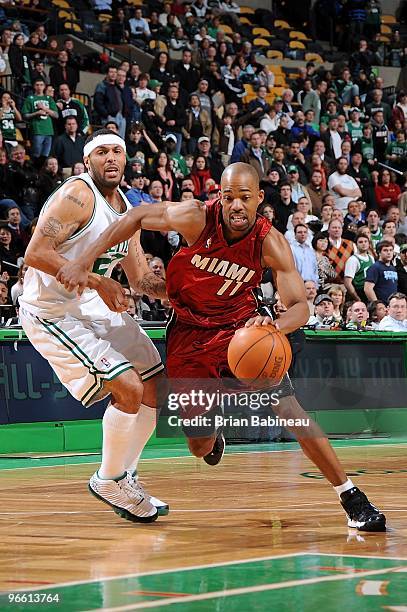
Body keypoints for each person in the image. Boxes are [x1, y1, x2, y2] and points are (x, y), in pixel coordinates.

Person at [57, 162, 386, 532]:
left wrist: (274, 327)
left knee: (290, 410)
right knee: (198, 446)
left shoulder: (270, 242)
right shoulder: (195, 217)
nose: (236, 205)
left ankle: (351, 496)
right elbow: (135, 216)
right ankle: (213, 438)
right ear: (219, 197)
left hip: (241, 330)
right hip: (188, 334)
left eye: (245, 197)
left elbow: (300, 307)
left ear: (259, 198)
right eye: (228, 196)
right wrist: (85, 260)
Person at [19, 129, 168, 523]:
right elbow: (35, 253)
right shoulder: (78, 195)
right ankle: (108, 478)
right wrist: (99, 281)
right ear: (88, 161)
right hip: (51, 310)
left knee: (157, 385)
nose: (111, 158)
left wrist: (188, 289)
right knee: (129, 387)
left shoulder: (128, 208)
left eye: (117, 151)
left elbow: (140, 280)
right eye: (102, 152)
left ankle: (123, 477)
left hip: (89, 305)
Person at [344, 234, 375, 302]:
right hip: (359, 292)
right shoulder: (353, 260)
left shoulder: (371, 258)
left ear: (369, 243)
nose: (363, 244)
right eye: (360, 242)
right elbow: (347, 283)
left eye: (365, 241)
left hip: (370, 290)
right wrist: (357, 298)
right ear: (356, 245)